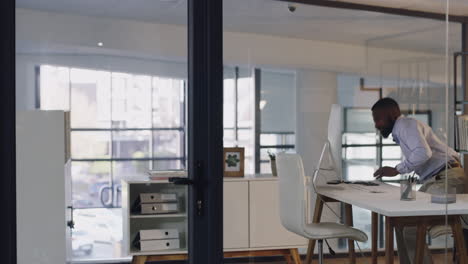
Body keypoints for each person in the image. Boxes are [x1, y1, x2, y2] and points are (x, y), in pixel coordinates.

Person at [372, 97, 466, 264]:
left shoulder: (405, 125)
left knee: (410, 227)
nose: (377, 124)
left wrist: (396, 169)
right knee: (401, 223)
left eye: (378, 119)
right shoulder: (404, 129)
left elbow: (423, 153)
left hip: (447, 178)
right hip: (438, 178)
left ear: (393, 114)